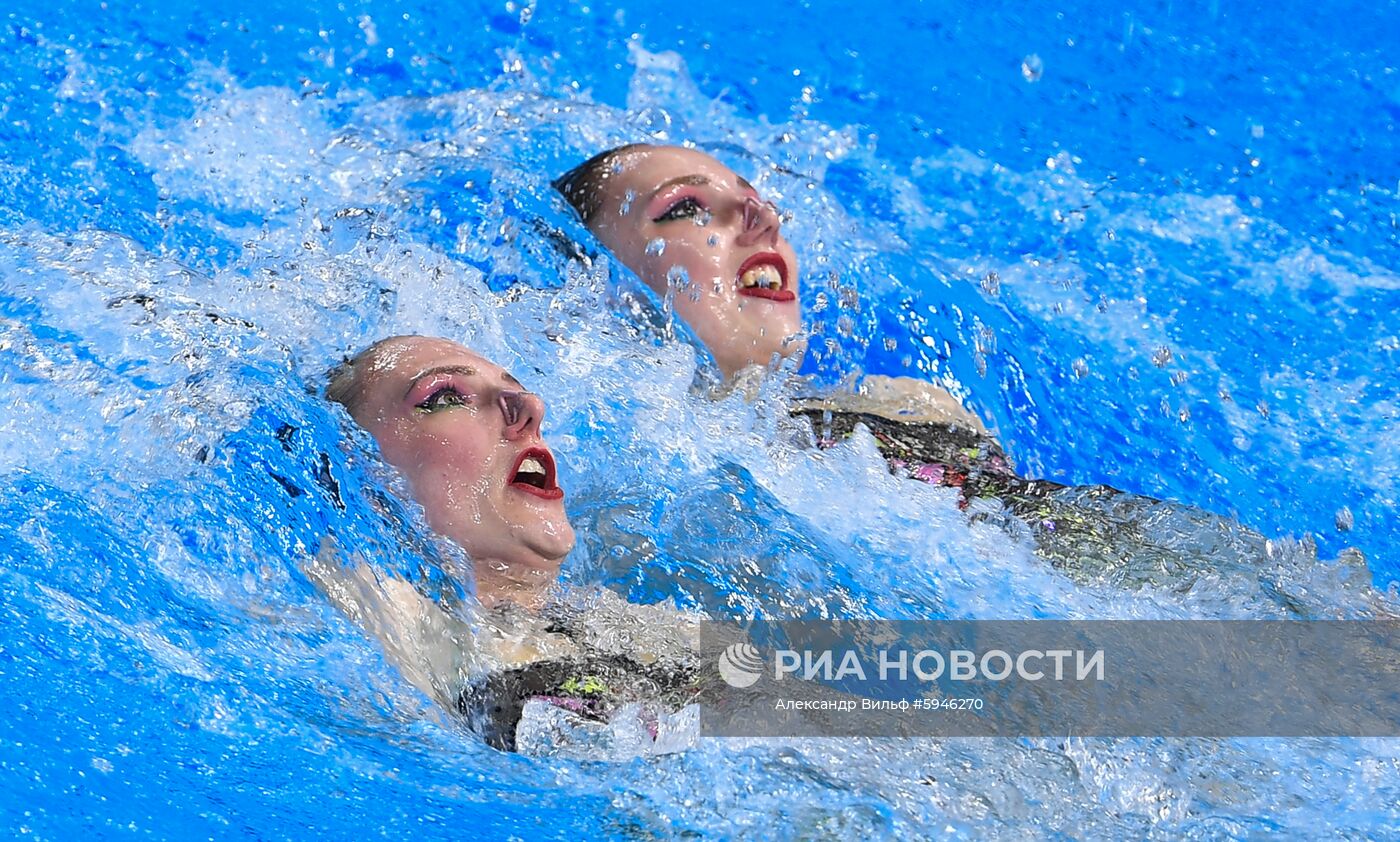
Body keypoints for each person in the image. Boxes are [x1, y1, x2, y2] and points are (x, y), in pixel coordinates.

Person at [552, 144, 1325, 592]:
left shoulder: (910, 403)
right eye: (687, 208)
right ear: (605, 293)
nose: (761, 216)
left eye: (754, 198)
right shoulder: (615, 489)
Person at [314, 335, 712, 753]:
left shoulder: (655, 634)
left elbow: (782, 707)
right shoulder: (365, 605)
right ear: (363, 475)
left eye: (518, 389)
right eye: (447, 396)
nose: (531, 408)